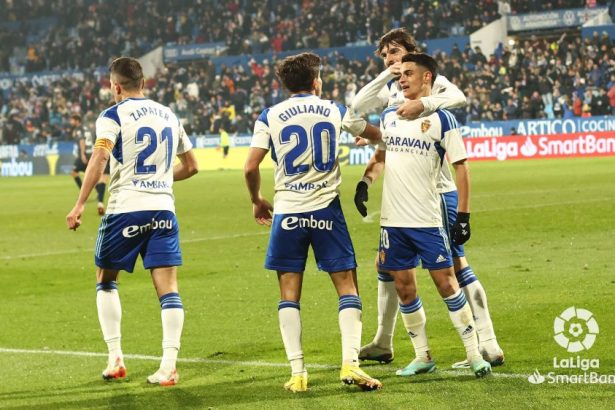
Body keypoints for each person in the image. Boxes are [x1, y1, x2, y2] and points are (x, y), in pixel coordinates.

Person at [352, 28, 504, 369]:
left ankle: (488, 344)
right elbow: (383, 144)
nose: (390, 60)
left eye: (395, 52)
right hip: (405, 199)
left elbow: (458, 99)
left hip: (437, 194)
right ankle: (383, 341)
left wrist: (424, 103)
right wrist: (366, 180)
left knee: (455, 267)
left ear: (411, 52)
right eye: (385, 56)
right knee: (386, 264)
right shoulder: (393, 91)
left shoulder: (431, 83)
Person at [244, 52, 383, 393]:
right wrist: (369, 135)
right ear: (316, 81)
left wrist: (257, 200)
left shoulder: (269, 115)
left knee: (289, 293)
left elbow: (249, 167)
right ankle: (350, 362)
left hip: (288, 213)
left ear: (286, 84)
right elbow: (375, 134)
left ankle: (298, 373)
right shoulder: (333, 109)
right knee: (347, 286)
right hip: (326, 211)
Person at [66, 57, 198, 386]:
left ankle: (116, 359)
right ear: (145, 83)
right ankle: (168, 366)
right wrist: (162, 182)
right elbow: (193, 166)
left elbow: (99, 156)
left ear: (116, 87)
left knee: (106, 278)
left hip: (125, 208)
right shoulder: (169, 114)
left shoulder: (112, 115)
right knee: (169, 289)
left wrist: (80, 202)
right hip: (163, 209)